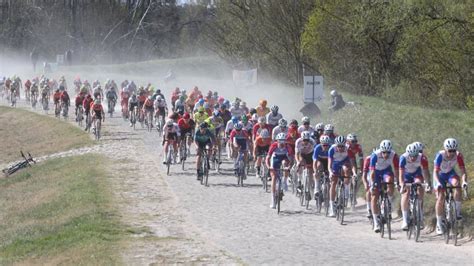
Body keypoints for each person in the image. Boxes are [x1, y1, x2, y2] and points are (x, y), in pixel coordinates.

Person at [433, 138, 468, 235]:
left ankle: (457, 212)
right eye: (450, 151)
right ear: (445, 149)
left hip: (449, 174)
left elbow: (463, 171)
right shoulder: (440, 155)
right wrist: (438, 183)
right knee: (440, 197)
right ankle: (439, 223)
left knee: (457, 185)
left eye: (454, 150)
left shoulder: (458, 155)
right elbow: (435, 172)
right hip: (439, 175)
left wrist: (464, 181)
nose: (452, 153)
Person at [369, 140, 399, 232]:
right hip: (376, 173)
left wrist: (397, 181)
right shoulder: (375, 155)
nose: (386, 155)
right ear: (381, 151)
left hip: (386, 171)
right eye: (384, 152)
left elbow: (397, 170)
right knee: (374, 195)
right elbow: (372, 172)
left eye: (388, 153)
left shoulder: (394, 155)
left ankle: (388, 202)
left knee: (390, 181)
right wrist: (372, 184)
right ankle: (376, 222)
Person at [399, 144, 430, 231]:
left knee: (419, 185)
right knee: (406, 193)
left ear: (418, 154)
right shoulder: (403, 158)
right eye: (411, 156)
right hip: (406, 175)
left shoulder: (422, 158)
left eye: (415, 156)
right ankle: (405, 220)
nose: (412, 158)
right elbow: (400, 174)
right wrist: (401, 184)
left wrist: (427, 183)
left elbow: (425, 172)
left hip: (417, 174)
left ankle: (419, 212)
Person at [327, 136, 357, 217]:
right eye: (338, 146)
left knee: (347, 171)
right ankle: (332, 207)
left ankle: (346, 190)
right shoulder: (332, 149)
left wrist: (354, 173)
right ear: (336, 145)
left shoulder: (348, 149)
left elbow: (353, 163)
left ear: (345, 145)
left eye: (342, 146)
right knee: (333, 182)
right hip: (335, 164)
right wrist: (330, 172)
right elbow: (329, 164)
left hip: (345, 162)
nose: (340, 148)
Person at [266, 133, 294, 208]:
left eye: (283, 142)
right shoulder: (274, 145)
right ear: (277, 141)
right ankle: (272, 199)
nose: (281, 144)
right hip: (275, 158)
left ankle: (284, 181)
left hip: (284, 158)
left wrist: (289, 167)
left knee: (285, 163)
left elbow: (291, 160)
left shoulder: (288, 147)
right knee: (274, 177)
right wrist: (269, 167)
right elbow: (268, 158)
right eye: (280, 142)